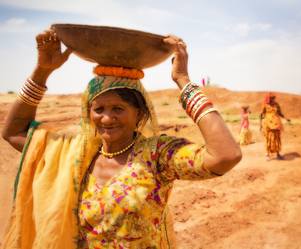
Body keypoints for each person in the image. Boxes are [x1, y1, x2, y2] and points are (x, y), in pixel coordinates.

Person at [1, 29, 242, 248]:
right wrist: (42, 71)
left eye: (118, 109)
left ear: (140, 112)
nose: (107, 118)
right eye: (99, 109)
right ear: (88, 113)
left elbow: (225, 156)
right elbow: (13, 132)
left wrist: (183, 80)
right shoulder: (77, 155)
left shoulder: (156, 155)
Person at [259, 93, 290, 160]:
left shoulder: (276, 105)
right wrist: (260, 125)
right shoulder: (265, 105)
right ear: (268, 99)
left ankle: (278, 154)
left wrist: (285, 118)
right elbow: (261, 114)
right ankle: (267, 154)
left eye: (274, 98)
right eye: (272, 98)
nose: (273, 99)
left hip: (276, 123)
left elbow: (279, 113)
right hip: (268, 124)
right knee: (269, 138)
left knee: (277, 138)